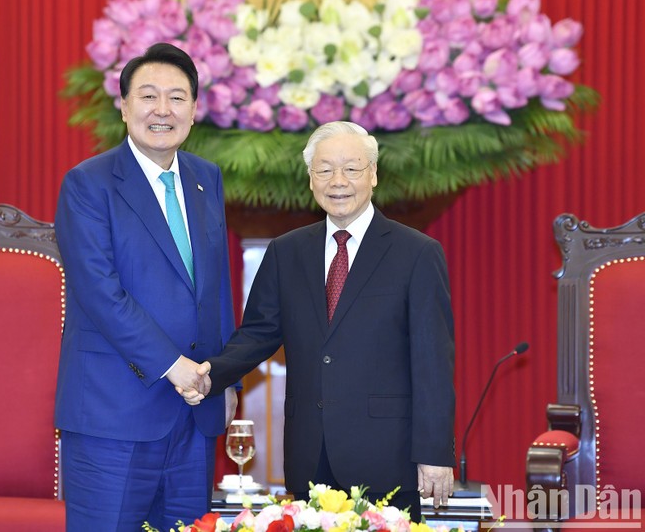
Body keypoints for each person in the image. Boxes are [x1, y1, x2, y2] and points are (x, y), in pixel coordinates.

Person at [184, 121, 455, 521]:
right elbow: (259, 332)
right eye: (325, 170)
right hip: (310, 452)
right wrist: (212, 374)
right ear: (311, 180)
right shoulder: (286, 252)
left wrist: (434, 453)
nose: (338, 181)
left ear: (374, 175)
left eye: (352, 168)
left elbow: (433, 361)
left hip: (387, 456)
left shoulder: (416, 253)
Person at [54, 42, 238, 531]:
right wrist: (174, 366)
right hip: (113, 417)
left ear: (195, 111)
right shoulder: (87, 184)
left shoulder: (206, 179)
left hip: (194, 415)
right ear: (123, 105)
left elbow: (215, 289)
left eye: (177, 98)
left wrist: (227, 376)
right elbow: (100, 294)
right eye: (148, 96)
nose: (163, 110)